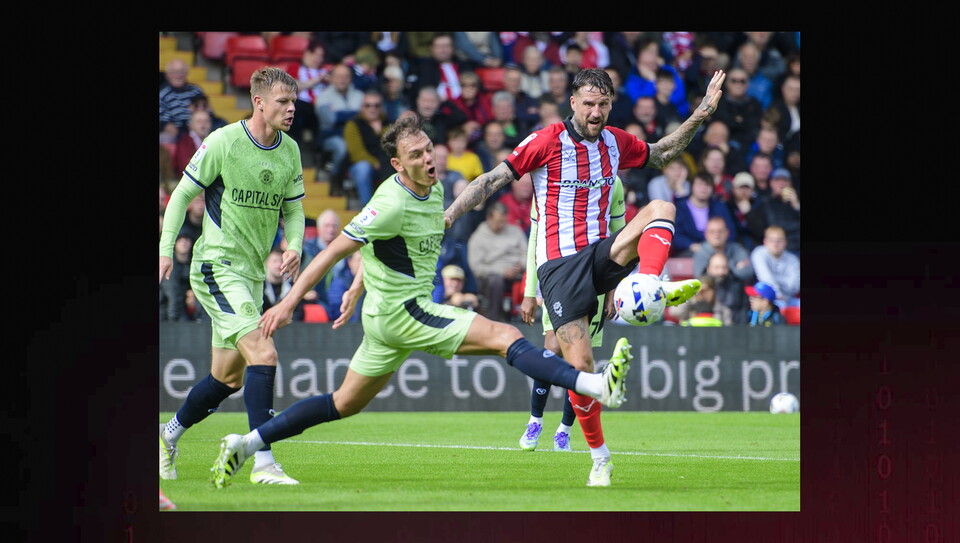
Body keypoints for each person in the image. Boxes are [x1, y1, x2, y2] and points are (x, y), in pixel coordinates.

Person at [211, 115, 634, 488]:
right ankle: (594, 384)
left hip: (383, 319)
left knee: (343, 403)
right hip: (405, 312)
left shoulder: (433, 190)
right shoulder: (391, 202)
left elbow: (381, 246)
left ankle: (246, 443)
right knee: (505, 336)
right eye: (416, 155)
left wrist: (359, 284)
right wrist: (288, 303)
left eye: (429, 149)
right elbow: (334, 250)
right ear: (398, 164)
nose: (428, 158)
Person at [444, 67, 725, 486]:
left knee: (663, 208)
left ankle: (648, 281)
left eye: (603, 104)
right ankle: (600, 458)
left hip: (598, 254)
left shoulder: (615, 142)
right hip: (559, 268)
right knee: (582, 369)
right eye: (589, 104)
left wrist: (701, 113)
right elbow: (492, 180)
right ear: (573, 102)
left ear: (611, 104)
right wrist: (448, 216)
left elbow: (663, 152)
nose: (596, 112)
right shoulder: (545, 141)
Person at [159, 66, 305, 485]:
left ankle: (168, 434)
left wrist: (294, 244)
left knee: (227, 377)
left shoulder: (290, 150)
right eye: (282, 101)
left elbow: (294, 208)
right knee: (265, 354)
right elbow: (181, 195)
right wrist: (166, 249)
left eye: (293, 102)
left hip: (253, 275)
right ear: (258, 102)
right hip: (217, 267)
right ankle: (263, 463)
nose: (291, 109)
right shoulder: (224, 141)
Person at [517, 175, 629, 453]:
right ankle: (535, 421)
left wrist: (612, 289)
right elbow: (535, 237)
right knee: (552, 348)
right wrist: (530, 291)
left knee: (580, 361)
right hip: (559, 276)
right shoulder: (550, 179)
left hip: (595, 278)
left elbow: (620, 240)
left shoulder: (612, 181)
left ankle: (564, 431)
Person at [467, 201, 528, 322]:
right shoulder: (478, 237)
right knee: (495, 281)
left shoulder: (515, 231)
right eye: (498, 222)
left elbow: (526, 253)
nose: (501, 225)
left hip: (517, 274)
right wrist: (502, 272)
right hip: (490, 278)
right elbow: (476, 267)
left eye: (504, 222)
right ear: (489, 218)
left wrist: (521, 264)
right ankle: (494, 319)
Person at [315, 63, 362, 191]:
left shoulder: (359, 95)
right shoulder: (323, 96)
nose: (342, 79)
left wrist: (339, 114)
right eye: (339, 76)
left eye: (346, 76)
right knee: (342, 147)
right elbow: (330, 120)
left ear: (350, 78)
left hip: (357, 135)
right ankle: (335, 178)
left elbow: (363, 117)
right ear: (332, 78)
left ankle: (352, 182)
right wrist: (354, 114)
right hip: (332, 136)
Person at [343, 89, 392, 207]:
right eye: (368, 105)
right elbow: (357, 153)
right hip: (360, 166)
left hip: (386, 164)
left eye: (376, 105)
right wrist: (375, 163)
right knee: (363, 168)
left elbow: (392, 146)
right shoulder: (353, 124)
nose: (372, 108)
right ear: (362, 107)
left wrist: (379, 132)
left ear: (381, 107)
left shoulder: (389, 124)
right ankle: (368, 208)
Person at [672, 172, 737, 256]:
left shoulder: (719, 206)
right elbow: (676, 236)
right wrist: (692, 245)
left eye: (707, 185)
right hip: (690, 251)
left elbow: (730, 231)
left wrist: (717, 244)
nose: (703, 189)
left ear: (712, 189)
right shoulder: (680, 207)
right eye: (700, 185)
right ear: (692, 187)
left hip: (719, 249)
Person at [286, 38, 332, 145]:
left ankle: (319, 148)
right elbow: (294, 87)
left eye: (321, 56)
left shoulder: (326, 72)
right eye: (314, 54)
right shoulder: (295, 68)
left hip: (320, 106)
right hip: (301, 105)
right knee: (296, 108)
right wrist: (318, 79)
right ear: (306, 53)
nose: (317, 58)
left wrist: (331, 82)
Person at [692, 216, 754, 283]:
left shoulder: (737, 249)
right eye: (712, 232)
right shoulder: (701, 252)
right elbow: (701, 279)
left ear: (727, 232)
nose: (716, 235)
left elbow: (748, 272)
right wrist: (733, 268)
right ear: (706, 234)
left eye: (720, 231)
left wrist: (715, 269)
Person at [750, 225, 800, 307]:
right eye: (771, 240)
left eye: (779, 240)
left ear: (785, 242)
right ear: (765, 242)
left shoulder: (793, 259)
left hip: (789, 298)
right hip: (766, 299)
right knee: (780, 305)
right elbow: (766, 279)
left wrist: (783, 295)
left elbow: (795, 286)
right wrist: (779, 294)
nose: (775, 244)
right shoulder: (759, 253)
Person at [753, 168, 801, 254]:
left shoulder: (796, 201)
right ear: (771, 183)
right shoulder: (764, 203)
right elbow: (760, 230)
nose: (781, 183)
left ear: (790, 184)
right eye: (778, 180)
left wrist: (797, 206)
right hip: (775, 249)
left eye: (785, 180)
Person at [159, 57, 205, 143]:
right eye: (175, 72)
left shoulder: (196, 91)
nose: (178, 75)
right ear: (167, 75)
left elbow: (206, 112)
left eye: (182, 72)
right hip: (176, 131)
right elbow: (163, 121)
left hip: (198, 128)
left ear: (187, 73)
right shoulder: (162, 94)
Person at [666, 274, 733, 326]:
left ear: (713, 291)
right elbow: (674, 312)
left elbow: (728, 333)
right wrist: (691, 295)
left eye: (706, 291)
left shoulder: (723, 311)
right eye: (699, 291)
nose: (702, 294)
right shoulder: (688, 308)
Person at [705, 252, 749, 324]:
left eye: (724, 267)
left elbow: (743, 310)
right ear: (708, 269)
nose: (721, 272)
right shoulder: (702, 287)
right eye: (717, 267)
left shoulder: (737, 285)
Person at [263, 248, 306, 322]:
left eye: (282, 261)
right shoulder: (260, 286)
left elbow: (299, 313)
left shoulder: (294, 286)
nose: (278, 265)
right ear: (266, 263)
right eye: (274, 261)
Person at [173, 109, 212, 174]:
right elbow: (185, 166)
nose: (203, 125)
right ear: (191, 125)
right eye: (199, 122)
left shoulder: (213, 141)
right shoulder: (184, 143)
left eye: (206, 121)